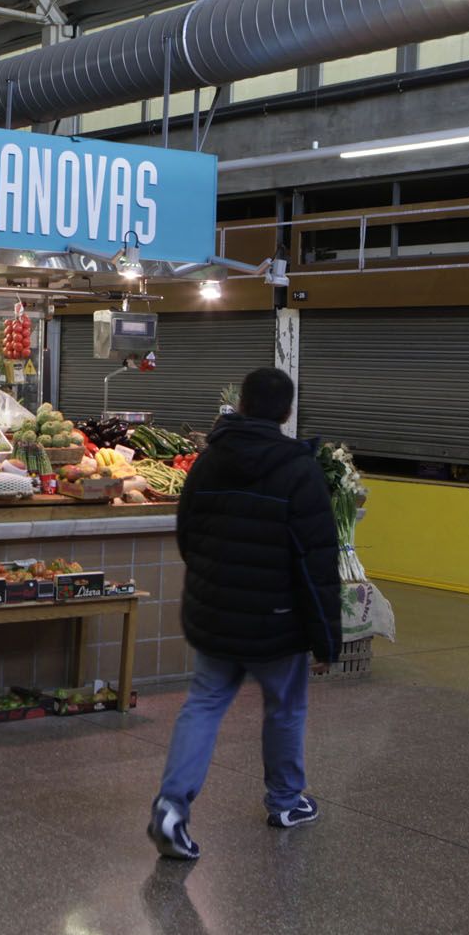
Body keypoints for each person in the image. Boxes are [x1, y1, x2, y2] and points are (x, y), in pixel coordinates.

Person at [148, 367, 341, 861]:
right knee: (285, 707)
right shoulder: (300, 469)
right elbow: (318, 561)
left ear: (241, 405)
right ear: (287, 412)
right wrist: (327, 638)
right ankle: (286, 802)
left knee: (204, 704)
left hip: (215, 613)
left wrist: (214, 584)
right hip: (277, 619)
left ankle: (171, 807)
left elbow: (187, 533)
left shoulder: (209, 461)